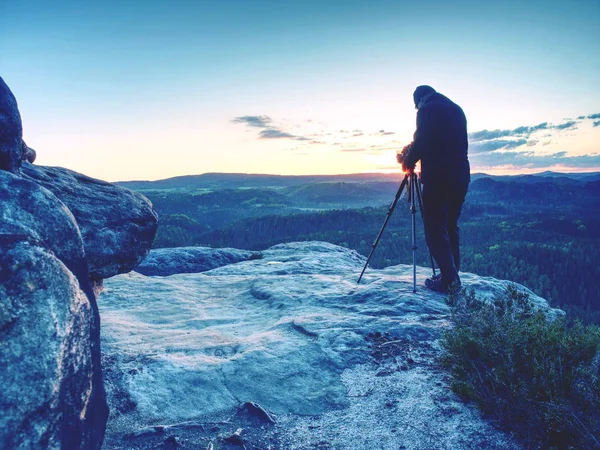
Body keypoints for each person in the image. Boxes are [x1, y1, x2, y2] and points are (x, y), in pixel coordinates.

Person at [397, 85, 470, 293]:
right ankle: (452, 274)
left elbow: (422, 141)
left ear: (419, 100)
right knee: (451, 227)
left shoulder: (426, 111)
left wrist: (408, 160)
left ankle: (449, 281)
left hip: (439, 178)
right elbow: (440, 140)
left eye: (416, 105)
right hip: (461, 176)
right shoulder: (456, 109)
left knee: (435, 231)